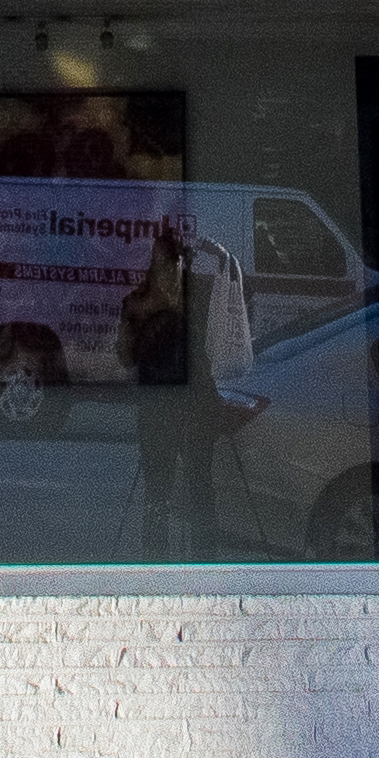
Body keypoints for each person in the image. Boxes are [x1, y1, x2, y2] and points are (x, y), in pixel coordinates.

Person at [121, 208, 256, 553]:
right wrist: (223, 258)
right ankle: (201, 566)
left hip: (162, 406)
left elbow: (124, 357)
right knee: (197, 488)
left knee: (159, 495)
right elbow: (243, 295)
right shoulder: (198, 294)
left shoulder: (139, 302)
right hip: (190, 404)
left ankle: (160, 566)